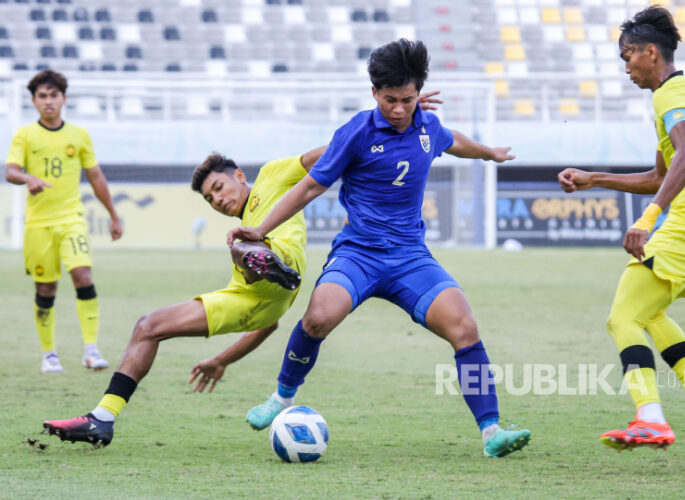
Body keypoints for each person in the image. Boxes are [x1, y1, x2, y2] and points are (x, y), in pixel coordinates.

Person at [40, 90, 444, 447]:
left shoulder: (273, 174)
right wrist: (222, 360)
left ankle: (268, 261)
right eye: (210, 200)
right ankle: (102, 419)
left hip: (281, 258)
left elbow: (335, 147)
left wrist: (394, 121)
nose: (216, 200)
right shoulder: (238, 235)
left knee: (242, 240)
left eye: (218, 188)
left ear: (238, 175)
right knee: (148, 325)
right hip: (252, 295)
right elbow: (265, 325)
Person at [230, 39, 531, 458]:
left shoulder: (425, 123)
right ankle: (282, 398)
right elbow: (310, 186)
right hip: (359, 253)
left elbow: (452, 139)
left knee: (465, 328)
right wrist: (259, 228)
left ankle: (491, 430)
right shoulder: (355, 133)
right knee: (318, 318)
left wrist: (487, 154)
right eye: (389, 100)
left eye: (407, 100)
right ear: (374, 93)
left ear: (417, 94)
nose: (398, 109)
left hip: (410, 257)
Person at [557, 6, 685, 451]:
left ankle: (651, 417)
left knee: (623, 318)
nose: (625, 67)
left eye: (627, 56)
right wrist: (593, 178)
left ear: (650, 52)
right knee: (650, 314)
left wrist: (647, 219)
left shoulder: (668, 97)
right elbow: (662, 174)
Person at [5, 70, 122, 373]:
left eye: (53, 95)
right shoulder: (25, 135)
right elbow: (10, 171)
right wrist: (28, 177)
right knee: (46, 289)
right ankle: (49, 354)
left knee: (83, 276)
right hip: (38, 225)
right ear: (33, 101)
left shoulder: (79, 135)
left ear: (63, 99)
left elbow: (95, 176)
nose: (48, 101)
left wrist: (113, 214)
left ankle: (91, 349)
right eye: (42, 96)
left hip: (72, 219)